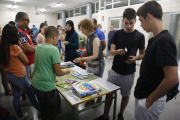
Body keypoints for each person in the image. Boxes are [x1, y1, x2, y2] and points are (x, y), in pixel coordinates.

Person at [95, 8, 145, 120]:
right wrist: (118, 51)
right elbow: (111, 51)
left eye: (131, 23)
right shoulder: (117, 34)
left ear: (135, 21)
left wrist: (135, 58)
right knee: (109, 93)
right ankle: (105, 115)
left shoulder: (139, 36)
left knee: (125, 95)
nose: (128, 26)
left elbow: (142, 54)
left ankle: (120, 114)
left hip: (128, 72)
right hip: (115, 70)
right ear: (123, 21)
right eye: (126, 23)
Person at [134, 1, 179, 120]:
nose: (141, 24)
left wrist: (150, 99)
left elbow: (172, 78)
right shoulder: (155, 39)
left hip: (150, 98)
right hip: (144, 93)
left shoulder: (164, 41)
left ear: (149, 16)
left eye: (141, 20)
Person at [0, 24, 40, 119]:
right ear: (12, 35)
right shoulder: (15, 47)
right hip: (19, 75)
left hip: (9, 75)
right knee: (31, 94)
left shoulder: (3, 46)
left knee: (16, 95)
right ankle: (41, 109)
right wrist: (20, 47)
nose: (18, 36)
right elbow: (25, 60)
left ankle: (19, 115)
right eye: (17, 34)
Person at [31, 26, 70, 120]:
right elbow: (58, 72)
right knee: (50, 115)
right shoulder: (53, 50)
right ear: (54, 36)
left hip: (36, 84)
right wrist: (66, 71)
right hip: (46, 88)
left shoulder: (39, 47)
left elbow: (42, 66)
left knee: (44, 109)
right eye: (57, 38)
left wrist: (52, 78)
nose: (57, 40)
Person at [74, 18, 105, 106]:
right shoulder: (88, 38)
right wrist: (82, 53)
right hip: (91, 64)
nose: (82, 32)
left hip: (98, 64)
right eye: (81, 30)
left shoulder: (95, 39)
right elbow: (90, 52)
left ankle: (99, 100)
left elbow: (95, 56)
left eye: (83, 30)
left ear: (88, 28)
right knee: (90, 82)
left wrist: (81, 59)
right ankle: (91, 99)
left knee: (98, 83)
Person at [15, 12, 37, 105]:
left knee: (26, 79)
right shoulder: (19, 32)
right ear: (21, 20)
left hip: (27, 61)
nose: (29, 22)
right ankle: (25, 98)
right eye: (27, 20)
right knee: (25, 81)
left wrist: (34, 46)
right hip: (24, 62)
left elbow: (29, 45)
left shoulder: (23, 30)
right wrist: (37, 48)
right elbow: (27, 47)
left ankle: (25, 96)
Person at [0, 24, 13, 96]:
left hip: (2, 60)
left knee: (4, 76)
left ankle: (7, 90)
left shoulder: (2, 38)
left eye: (0, 28)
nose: (0, 30)